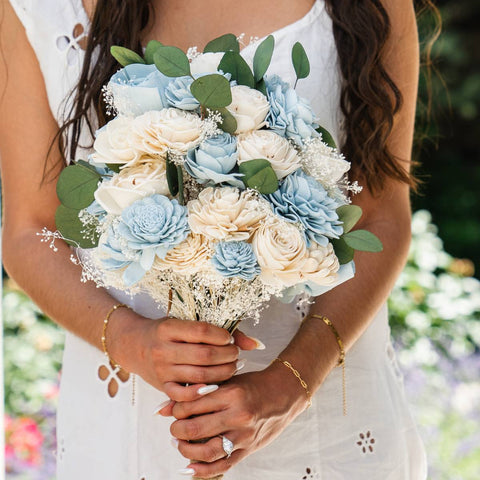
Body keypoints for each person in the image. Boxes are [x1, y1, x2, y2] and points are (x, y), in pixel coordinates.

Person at [0, 0, 433, 478]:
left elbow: (381, 217)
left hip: (323, 425)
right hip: (134, 425)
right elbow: (29, 229)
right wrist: (129, 341)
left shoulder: (372, 8)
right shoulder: (41, 8)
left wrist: (294, 381)